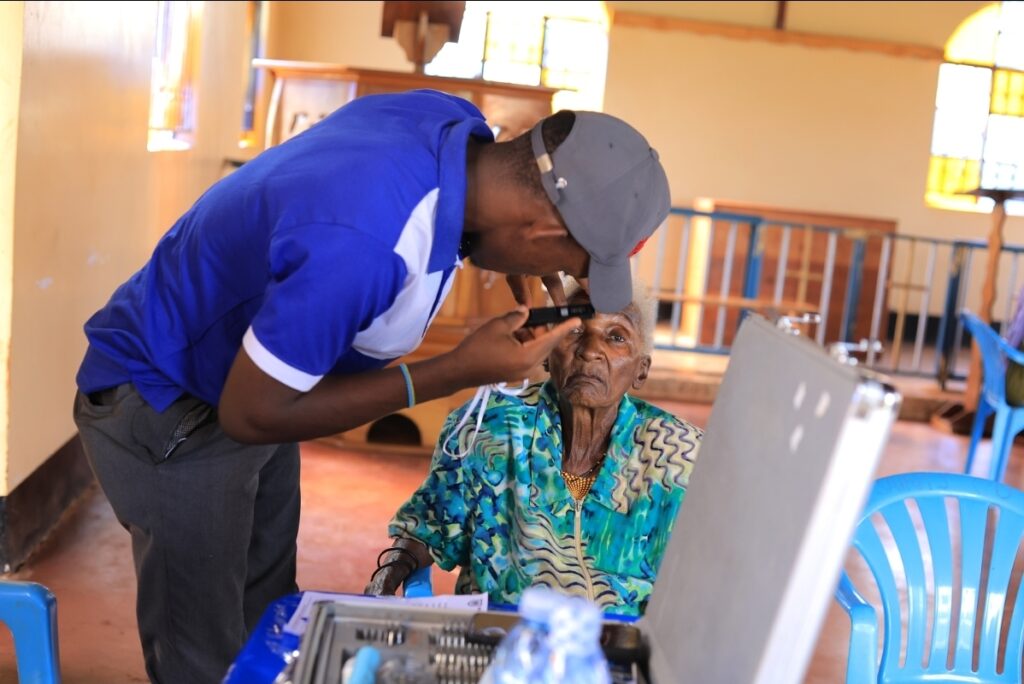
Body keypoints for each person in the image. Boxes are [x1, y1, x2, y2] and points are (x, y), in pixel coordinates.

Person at [72, 89, 670, 683]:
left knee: (270, 615)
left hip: (250, 379)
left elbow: (446, 214)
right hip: (176, 403)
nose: (563, 280)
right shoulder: (364, 246)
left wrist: (505, 253)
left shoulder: (451, 125)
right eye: (573, 264)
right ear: (538, 229)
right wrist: (454, 371)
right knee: (205, 655)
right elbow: (250, 414)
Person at [366, 281, 702, 617]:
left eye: (616, 337)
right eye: (573, 331)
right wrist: (391, 570)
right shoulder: (490, 429)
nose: (590, 351)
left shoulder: (677, 455)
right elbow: (428, 530)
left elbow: (701, 578)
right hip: (502, 634)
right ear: (546, 353)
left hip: (617, 641)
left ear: (641, 370)